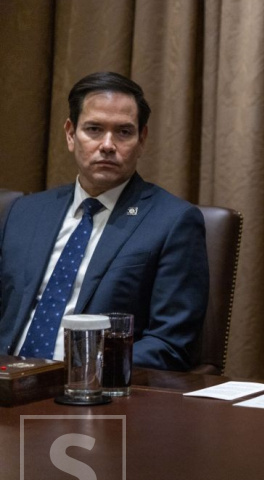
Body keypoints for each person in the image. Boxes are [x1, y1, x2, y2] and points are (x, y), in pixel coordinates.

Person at [0, 72, 209, 371]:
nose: (108, 145)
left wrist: (83, 370)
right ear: (71, 134)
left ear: (142, 140)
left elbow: (170, 345)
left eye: (123, 132)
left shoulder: (172, 222)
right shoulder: (25, 212)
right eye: (94, 129)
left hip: (92, 385)